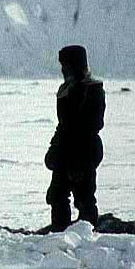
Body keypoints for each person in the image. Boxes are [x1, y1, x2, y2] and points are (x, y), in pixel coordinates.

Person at [45, 44, 105, 230]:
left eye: (66, 65)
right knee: (56, 194)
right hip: (66, 150)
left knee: (84, 196)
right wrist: (54, 149)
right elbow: (64, 125)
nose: (63, 69)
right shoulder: (66, 90)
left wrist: (78, 160)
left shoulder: (92, 90)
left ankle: (87, 236)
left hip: (84, 151)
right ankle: (60, 233)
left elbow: (90, 126)